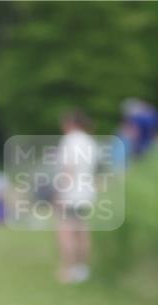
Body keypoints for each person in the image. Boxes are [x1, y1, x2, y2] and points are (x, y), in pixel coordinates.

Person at [55, 109, 99, 284]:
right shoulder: (90, 141)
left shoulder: (70, 140)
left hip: (71, 192)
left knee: (66, 232)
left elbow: (69, 169)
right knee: (82, 230)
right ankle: (82, 269)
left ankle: (68, 270)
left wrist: (60, 193)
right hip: (87, 192)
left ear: (70, 124)